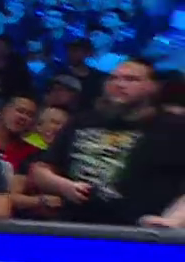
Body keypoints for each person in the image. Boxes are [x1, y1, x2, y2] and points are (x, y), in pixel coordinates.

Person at [31, 59, 185, 229]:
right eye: (113, 78)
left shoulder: (174, 128)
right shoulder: (82, 121)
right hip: (74, 228)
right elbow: (40, 169)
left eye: (131, 79)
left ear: (152, 86)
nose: (119, 84)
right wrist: (62, 185)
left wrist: (173, 220)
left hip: (139, 232)